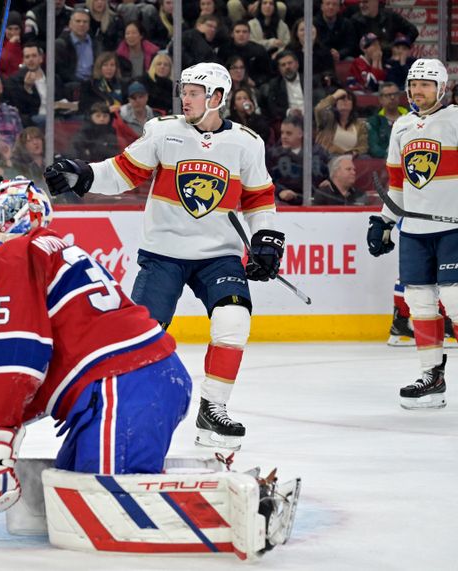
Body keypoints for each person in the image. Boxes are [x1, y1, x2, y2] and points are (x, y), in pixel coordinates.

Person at [44, 62, 285, 450]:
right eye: (184, 91)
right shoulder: (163, 132)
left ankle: (214, 410)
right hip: (164, 254)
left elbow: (259, 198)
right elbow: (124, 172)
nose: (184, 98)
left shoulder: (246, 142)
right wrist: (83, 174)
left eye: (193, 92)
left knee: (234, 320)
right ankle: (123, 408)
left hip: (219, 256)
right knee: (141, 336)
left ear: (217, 98)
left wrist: (268, 238)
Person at [0, 177, 189, 509]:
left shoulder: (16, 253)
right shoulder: (50, 249)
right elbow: (43, 366)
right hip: (131, 380)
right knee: (73, 506)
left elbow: (17, 356)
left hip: (123, 383)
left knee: (109, 511)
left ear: (21, 217)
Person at [366, 59, 458, 410]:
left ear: (441, 88)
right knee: (419, 304)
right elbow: (398, 184)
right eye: (414, 84)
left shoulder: (455, 120)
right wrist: (384, 221)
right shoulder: (402, 126)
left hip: (453, 227)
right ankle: (431, 376)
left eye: (426, 84)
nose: (418, 91)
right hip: (416, 231)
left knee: (455, 300)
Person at [266, 114, 329, 206]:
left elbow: (329, 174)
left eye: (288, 133)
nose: (283, 136)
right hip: (283, 203)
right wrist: (280, 191)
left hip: (315, 201)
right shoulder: (272, 154)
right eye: (282, 133)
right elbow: (267, 180)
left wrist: (328, 181)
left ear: (301, 133)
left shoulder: (318, 153)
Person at [315, 88, 369, 156]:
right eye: (341, 98)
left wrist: (352, 153)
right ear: (335, 103)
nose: (345, 100)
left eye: (349, 99)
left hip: (350, 161)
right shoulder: (328, 119)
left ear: (353, 105)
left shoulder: (360, 125)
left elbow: (363, 147)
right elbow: (319, 109)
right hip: (327, 159)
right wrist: (335, 96)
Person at [367, 81, 407, 159]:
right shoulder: (374, 121)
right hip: (385, 161)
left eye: (395, 94)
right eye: (388, 95)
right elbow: (374, 147)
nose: (392, 97)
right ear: (380, 99)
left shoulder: (411, 118)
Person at [112, 80, 156, 147]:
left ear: (147, 97)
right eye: (133, 98)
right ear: (129, 100)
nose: (137, 101)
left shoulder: (156, 118)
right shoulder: (120, 120)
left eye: (141, 97)